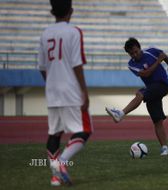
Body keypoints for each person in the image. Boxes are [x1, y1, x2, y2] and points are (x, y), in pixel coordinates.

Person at [38, 0, 93, 186]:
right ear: (71, 10)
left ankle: (55, 177)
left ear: (52, 11)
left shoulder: (45, 34)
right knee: (85, 130)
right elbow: (77, 64)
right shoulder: (74, 32)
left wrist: (52, 84)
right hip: (71, 91)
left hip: (52, 91)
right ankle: (61, 164)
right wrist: (84, 91)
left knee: (54, 134)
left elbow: (42, 67)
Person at [106, 37, 168, 156]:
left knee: (140, 93)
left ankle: (120, 114)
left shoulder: (151, 51)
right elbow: (146, 73)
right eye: (131, 54)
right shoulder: (131, 64)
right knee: (157, 121)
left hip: (162, 85)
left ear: (139, 48)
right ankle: (165, 149)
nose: (134, 55)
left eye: (136, 51)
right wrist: (159, 61)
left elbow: (163, 54)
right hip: (152, 90)